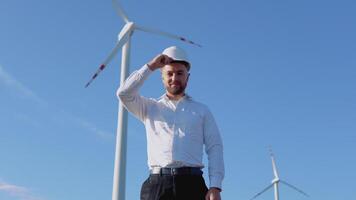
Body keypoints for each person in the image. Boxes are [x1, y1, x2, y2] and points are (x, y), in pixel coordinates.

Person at [117, 46, 224, 200]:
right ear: (162, 77)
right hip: (156, 186)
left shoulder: (202, 111)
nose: (175, 78)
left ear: (188, 77)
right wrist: (151, 66)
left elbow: (215, 148)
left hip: (192, 186)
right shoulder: (149, 108)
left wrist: (215, 186)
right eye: (169, 73)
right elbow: (124, 93)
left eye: (180, 73)